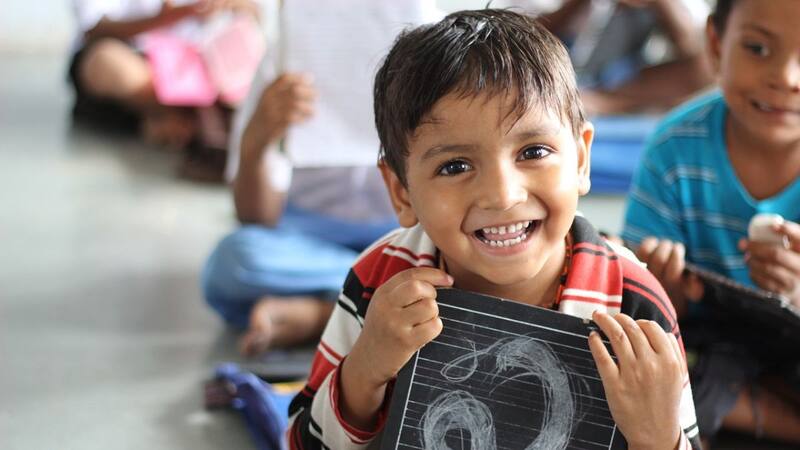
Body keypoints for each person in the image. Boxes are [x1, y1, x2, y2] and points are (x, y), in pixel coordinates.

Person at [287, 9, 701, 449]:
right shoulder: (381, 281)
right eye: (456, 166)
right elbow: (300, 441)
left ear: (580, 160)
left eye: (533, 151)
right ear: (401, 192)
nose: (502, 196)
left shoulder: (632, 303)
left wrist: (657, 436)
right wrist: (365, 370)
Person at [622, 0, 800, 444]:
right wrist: (667, 294)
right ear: (717, 46)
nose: (786, 78)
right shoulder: (673, 149)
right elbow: (635, 299)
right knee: (639, 372)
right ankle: (768, 412)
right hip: (708, 344)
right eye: (758, 48)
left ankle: (754, 405)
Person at [200, 0, 417, 354]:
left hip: (403, 233)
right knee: (235, 259)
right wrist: (257, 142)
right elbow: (255, 215)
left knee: (467, 256)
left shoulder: (436, 49)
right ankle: (375, 295)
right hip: (307, 235)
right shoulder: (284, 57)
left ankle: (322, 312)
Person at [69, 0, 259, 149]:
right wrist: (172, 16)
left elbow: (255, 13)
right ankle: (192, 118)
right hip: (138, 58)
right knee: (107, 62)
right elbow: (94, 28)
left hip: (200, 64)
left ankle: (177, 120)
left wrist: (233, 5)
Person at [512, 0, 713, 115]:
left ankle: (601, 102)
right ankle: (577, 97)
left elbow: (692, 50)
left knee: (706, 67)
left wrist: (658, 4)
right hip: (557, 69)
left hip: (623, 82)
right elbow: (522, 37)